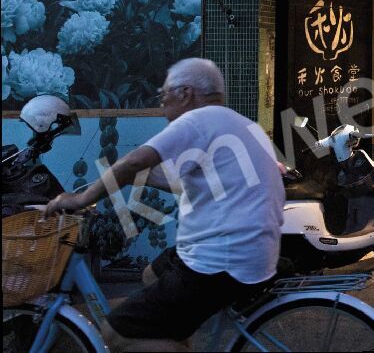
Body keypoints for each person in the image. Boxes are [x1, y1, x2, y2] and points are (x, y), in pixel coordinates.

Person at [46, 58, 285, 352]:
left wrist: (81, 198)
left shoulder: (197, 120)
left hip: (220, 261)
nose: (162, 106)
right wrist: (137, 179)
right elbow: (188, 180)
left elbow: (135, 160)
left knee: (116, 333)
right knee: (152, 275)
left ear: (185, 93)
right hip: (253, 252)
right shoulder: (243, 124)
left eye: (164, 95)